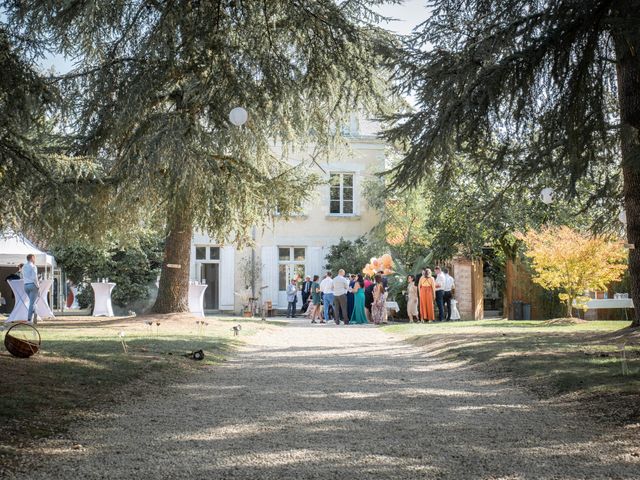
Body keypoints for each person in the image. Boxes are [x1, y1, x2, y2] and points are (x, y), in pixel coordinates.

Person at [23, 254, 39, 324]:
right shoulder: (33, 266)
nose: (35, 260)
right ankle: (29, 319)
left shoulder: (24, 266)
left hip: (26, 285)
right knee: (32, 303)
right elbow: (34, 277)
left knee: (33, 302)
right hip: (32, 285)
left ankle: (35, 314)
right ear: (32, 258)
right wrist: (38, 285)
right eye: (34, 258)